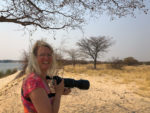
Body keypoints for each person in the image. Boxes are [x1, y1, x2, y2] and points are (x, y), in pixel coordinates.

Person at [21, 40, 71, 113]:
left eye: (49, 55)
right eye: (42, 55)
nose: (46, 58)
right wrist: (58, 94)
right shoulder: (33, 81)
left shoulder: (44, 79)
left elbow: (46, 99)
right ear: (35, 58)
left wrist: (58, 91)